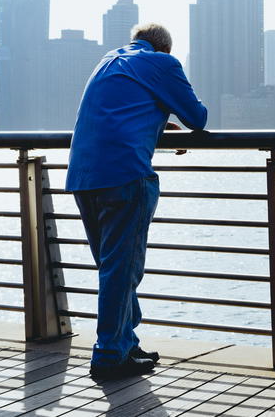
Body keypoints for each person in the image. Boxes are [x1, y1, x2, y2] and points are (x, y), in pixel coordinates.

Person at [66, 23, 207, 380]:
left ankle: (125, 343)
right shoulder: (162, 63)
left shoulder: (108, 60)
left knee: (113, 268)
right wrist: (167, 114)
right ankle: (110, 355)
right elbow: (198, 117)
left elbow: (119, 113)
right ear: (165, 49)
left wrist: (156, 124)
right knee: (121, 269)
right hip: (125, 177)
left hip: (84, 177)